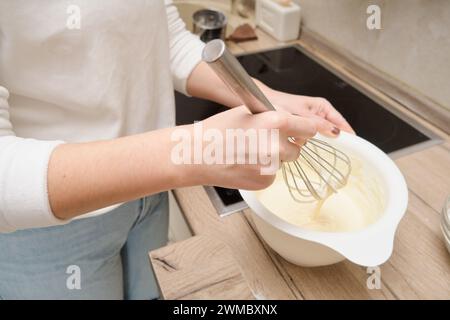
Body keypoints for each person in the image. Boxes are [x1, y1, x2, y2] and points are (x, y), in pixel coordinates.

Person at [0, 1, 353, 299]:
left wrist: (271, 100)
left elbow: (164, 39)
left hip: (150, 197)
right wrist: (192, 150)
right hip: (50, 231)